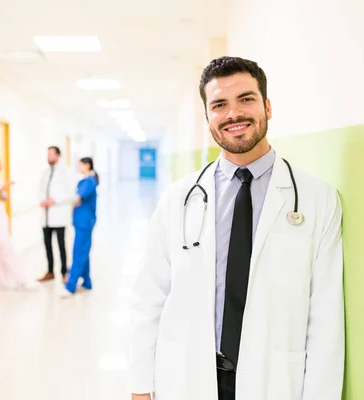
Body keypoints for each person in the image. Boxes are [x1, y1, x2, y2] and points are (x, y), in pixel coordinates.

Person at [129, 56, 344, 400]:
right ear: (208, 118)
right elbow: (149, 296)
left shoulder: (317, 199)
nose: (233, 114)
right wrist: (141, 386)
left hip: (273, 380)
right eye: (219, 105)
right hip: (189, 376)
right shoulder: (178, 199)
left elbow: (326, 315)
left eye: (246, 99)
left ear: (267, 106)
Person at [0, 154, 39, 291]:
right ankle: (22, 281)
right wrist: (4, 187)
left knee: (1, 252)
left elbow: (4, 196)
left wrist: (2, 190)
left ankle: (3, 280)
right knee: (8, 250)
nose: (0, 164)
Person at [57, 157, 99, 297]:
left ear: (87, 165)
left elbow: (77, 197)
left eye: (80, 165)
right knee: (83, 250)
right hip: (82, 221)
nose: (79, 167)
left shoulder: (89, 181)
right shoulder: (86, 180)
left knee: (79, 251)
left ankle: (71, 286)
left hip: (84, 222)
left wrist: (60, 198)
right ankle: (87, 282)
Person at [38, 146, 74, 283]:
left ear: (58, 156)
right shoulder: (46, 172)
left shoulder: (66, 172)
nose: (49, 157)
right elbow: (41, 189)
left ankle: (64, 272)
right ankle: (50, 271)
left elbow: (70, 192)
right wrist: (42, 201)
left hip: (58, 214)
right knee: (47, 244)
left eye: (51, 154)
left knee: (61, 245)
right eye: (48, 154)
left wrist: (54, 200)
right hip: (46, 215)